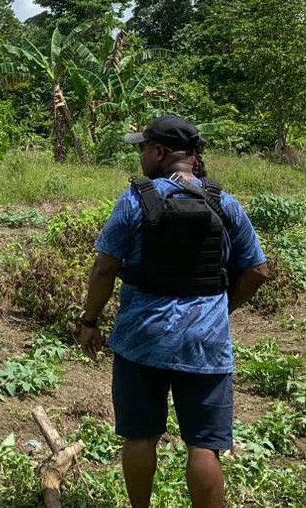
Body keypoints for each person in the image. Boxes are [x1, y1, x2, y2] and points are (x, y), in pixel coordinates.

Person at [78, 114, 270, 508]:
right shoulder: (223, 202)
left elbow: (104, 269)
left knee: (140, 435)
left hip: (140, 341)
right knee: (204, 445)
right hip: (205, 345)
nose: (140, 155)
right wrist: (221, 308)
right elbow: (257, 271)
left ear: (160, 152)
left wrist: (89, 321)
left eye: (143, 148)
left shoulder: (135, 200)